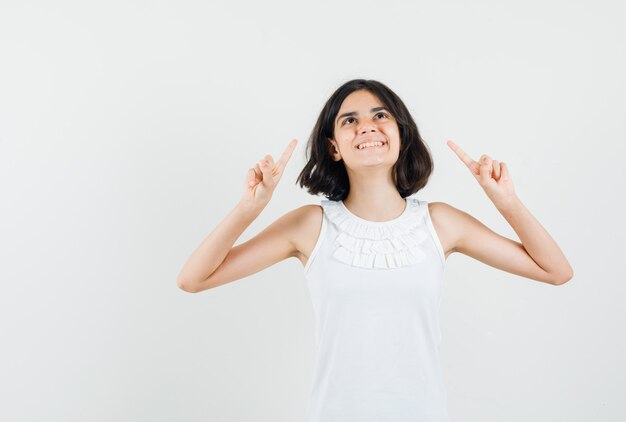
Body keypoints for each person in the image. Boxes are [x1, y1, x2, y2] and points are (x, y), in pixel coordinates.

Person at [176, 79, 574, 421]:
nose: (367, 126)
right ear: (334, 147)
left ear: (400, 136)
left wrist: (505, 202)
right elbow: (193, 279)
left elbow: (556, 271)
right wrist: (249, 209)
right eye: (350, 120)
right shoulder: (310, 225)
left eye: (380, 116)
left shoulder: (441, 222)